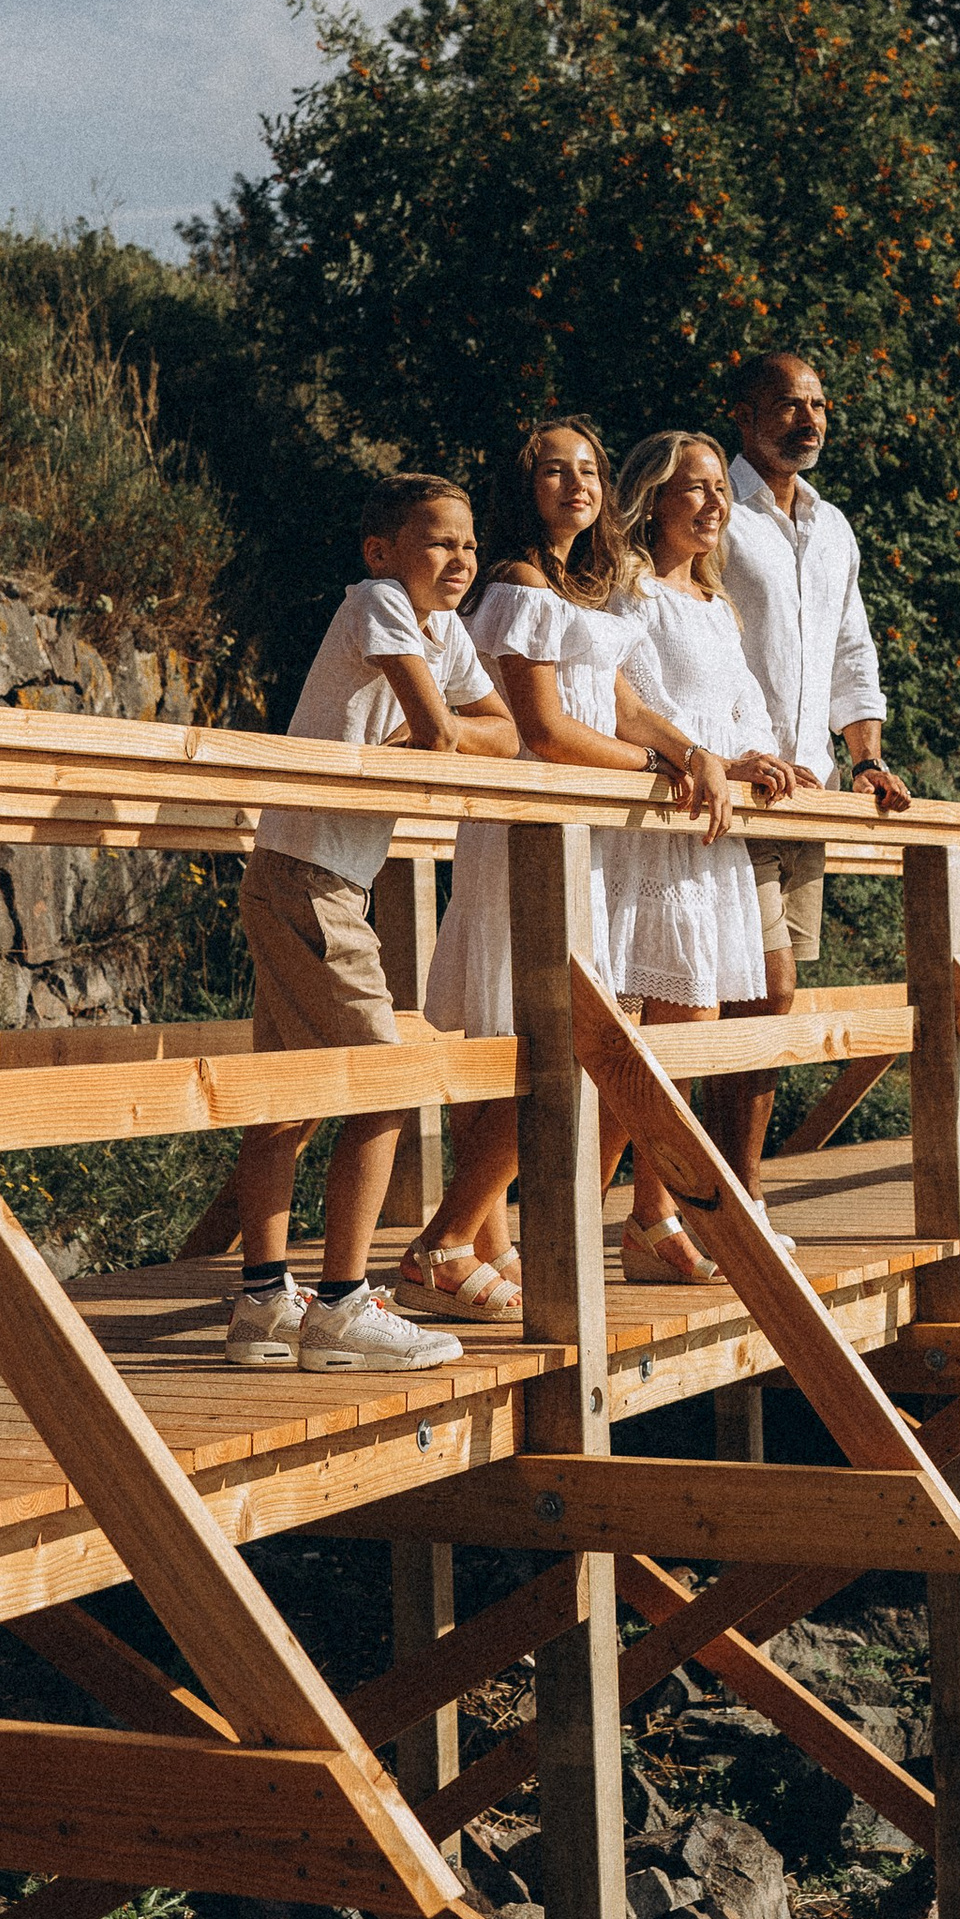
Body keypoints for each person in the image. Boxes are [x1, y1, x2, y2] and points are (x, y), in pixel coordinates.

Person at [398, 418, 730, 1321]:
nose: (578, 483)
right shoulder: (514, 582)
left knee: (562, 1037)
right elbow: (543, 731)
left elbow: (622, 705)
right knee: (550, 1038)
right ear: (524, 485)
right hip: (531, 836)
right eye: (555, 471)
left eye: (589, 468)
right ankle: (442, 1241)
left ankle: (485, 1237)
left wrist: (691, 750)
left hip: (584, 841)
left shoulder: (583, 586)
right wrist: (658, 770)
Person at [224, 474, 521, 1371]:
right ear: (383, 552)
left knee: (290, 1099)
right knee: (386, 1082)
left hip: (317, 877)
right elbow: (441, 732)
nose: (460, 558)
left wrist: (446, 731)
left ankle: (264, 1303)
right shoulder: (378, 602)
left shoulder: (439, 627)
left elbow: (500, 728)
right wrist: (437, 732)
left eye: (469, 543)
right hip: (309, 875)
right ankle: (345, 1306)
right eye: (438, 542)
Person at [597, 429, 797, 1274]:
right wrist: (694, 754)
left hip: (709, 836)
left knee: (692, 1023)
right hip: (646, 828)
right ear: (653, 499)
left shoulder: (718, 606)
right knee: (631, 1032)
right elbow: (614, 698)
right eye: (695, 489)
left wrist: (750, 758)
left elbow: (747, 709)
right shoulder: (628, 589)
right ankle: (583, 1209)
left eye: (721, 488)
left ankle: (654, 1216)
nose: (714, 504)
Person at [716, 348, 912, 1204]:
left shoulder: (832, 527)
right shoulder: (709, 508)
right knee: (757, 991)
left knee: (766, 1001)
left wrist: (865, 757)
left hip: (811, 797)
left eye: (820, 404)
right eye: (790, 404)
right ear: (743, 414)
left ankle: (719, 1192)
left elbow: (850, 653)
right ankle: (728, 1196)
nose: (810, 419)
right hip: (731, 791)